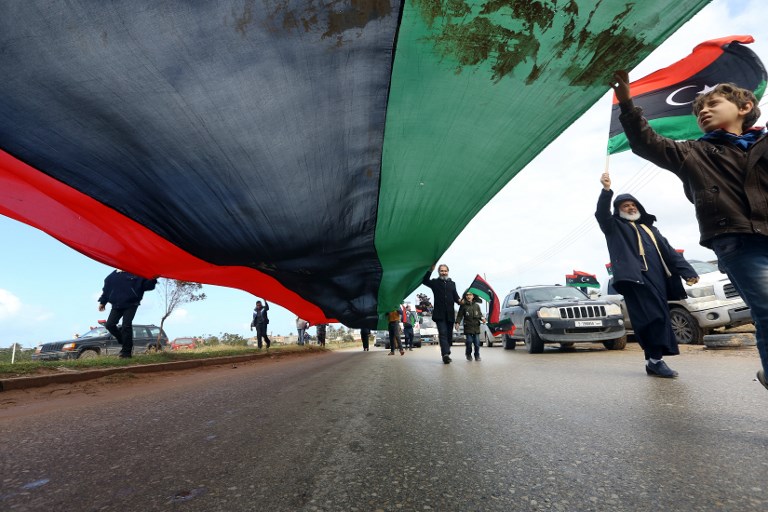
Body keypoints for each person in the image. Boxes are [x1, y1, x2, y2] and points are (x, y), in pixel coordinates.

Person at [612, 70, 768, 389]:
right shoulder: (691, 153)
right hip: (739, 243)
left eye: (713, 103)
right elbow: (646, 142)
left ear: (744, 106)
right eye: (699, 111)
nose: (704, 112)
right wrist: (627, 104)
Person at [596, 172, 699, 377]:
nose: (630, 207)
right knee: (652, 317)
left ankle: (653, 360)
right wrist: (606, 191)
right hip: (635, 279)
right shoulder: (615, 227)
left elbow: (670, 253)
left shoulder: (651, 230)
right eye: (625, 206)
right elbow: (602, 215)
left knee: (658, 317)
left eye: (633, 205)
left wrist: (688, 271)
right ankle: (655, 360)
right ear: (618, 210)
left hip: (658, 279)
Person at [97, 270, 157, 358]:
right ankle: (124, 340)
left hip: (131, 304)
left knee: (126, 325)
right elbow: (106, 291)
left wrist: (153, 279)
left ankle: (126, 353)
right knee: (109, 325)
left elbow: (147, 286)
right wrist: (103, 302)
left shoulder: (136, 273)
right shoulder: (111, 277)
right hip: (116, 305)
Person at [422, 264, 461, 364]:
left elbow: (456, 297)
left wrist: (461, 301)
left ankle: (446, 351)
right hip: (439, 314)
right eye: (441, 271)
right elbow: (425, 281)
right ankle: (445, 355)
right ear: (439, 272)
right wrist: (430, 270)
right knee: (442, 333)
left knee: (448, 336)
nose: (443, 272)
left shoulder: (452, 284)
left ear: (448, 272)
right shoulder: (435, 282)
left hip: (450, 314)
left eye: (445, 271)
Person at [455, 291, 486, 361]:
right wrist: (457, 323)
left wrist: (483, 319)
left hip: (476, 327)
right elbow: (459, 316)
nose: (468, 296)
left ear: (473, 296)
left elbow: (480, 315)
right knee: (469, 342)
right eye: (467, 295)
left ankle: (477, 355)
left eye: (470, 295)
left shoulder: (477, 306)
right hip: (468, 327)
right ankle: (468, 354)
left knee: (477, 343)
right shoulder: (463, 306)